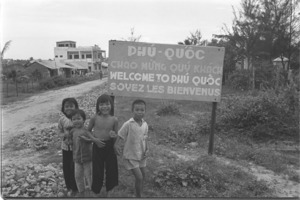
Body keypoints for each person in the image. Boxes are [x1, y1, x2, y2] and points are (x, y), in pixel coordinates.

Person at [114, 99, 149, 198]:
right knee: (139, 177)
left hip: (141, 154)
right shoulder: (128, 124)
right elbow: (120, 135)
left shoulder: (145, 124)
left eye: (142, 110)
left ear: (145, 111)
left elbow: (145, 138)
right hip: (131, 155)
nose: (139, 112)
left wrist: (147, 149)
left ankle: (139, 191)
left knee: (143, 175)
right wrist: (116, 145)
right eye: (137, 110)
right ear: (132, 110)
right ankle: (138, 196)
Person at [87, 94, 119, 196]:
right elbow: (87, 131)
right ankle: (96, 190)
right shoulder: (94, 117)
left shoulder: (114, 119)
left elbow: (116, 134)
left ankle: (110, 190)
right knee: (97, 169)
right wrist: (94, 140)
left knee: (112, 169)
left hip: (109, 146)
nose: (104, 107)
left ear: (111, 105)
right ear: (97, 106)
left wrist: (114, 137)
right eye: (101, 104)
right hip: (97, 146)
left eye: (107, 104)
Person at [69, 109, 93, 197]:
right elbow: (71, 142)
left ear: (84, 120)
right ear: (71, 121)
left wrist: (87, 140)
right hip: (77, 158)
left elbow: (93, 140)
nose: (76, 121)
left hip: (88, 158)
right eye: (74, 119)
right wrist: (69, 142)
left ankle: (91, 191)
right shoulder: (72, 131)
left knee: (89, 175)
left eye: (78, 118)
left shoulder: (87, 130)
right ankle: (81, 191)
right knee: (78, 176)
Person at [58, 98, 78, 196]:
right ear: (63, 108)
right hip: (65, 148)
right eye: (66, 106)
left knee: (76, 166)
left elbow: (82, 128)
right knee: (67, 167)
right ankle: (69, 186)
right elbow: (60, 131)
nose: (69, 108)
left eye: (71, 106)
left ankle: (76, 186)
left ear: (76, 107)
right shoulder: (61, 120)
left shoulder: (78, 117)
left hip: (76, 148)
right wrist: (64, 136)